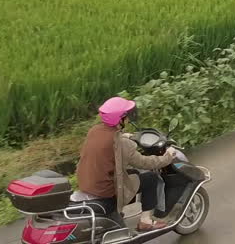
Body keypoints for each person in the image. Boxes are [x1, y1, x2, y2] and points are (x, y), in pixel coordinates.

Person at [73, 97, 177, 231]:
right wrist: (168, 157)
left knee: (131, 174)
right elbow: (145, 162)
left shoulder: (94, 131)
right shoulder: (121, 144)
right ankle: (145, 221)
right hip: (105, 192)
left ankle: (122, 211)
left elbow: (109, 144)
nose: (128, 119)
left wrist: (122, 135)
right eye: (126, 116)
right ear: (119, 119)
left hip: (88, 184)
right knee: (150, 178)